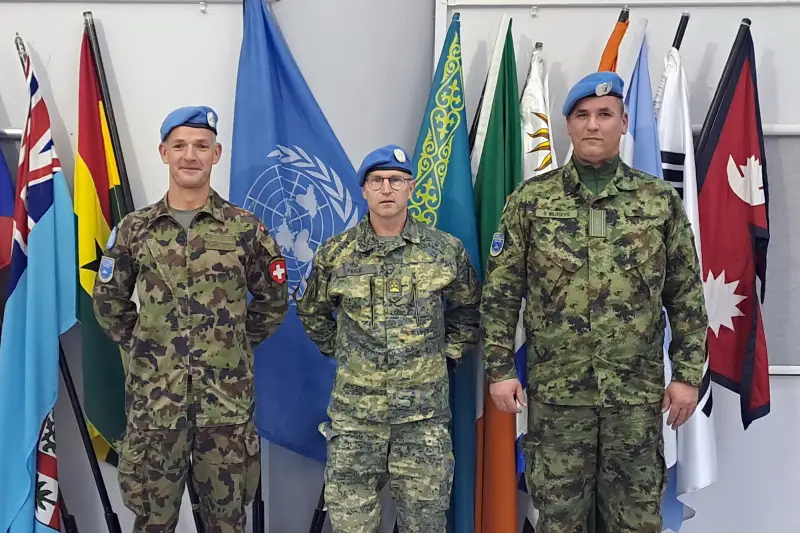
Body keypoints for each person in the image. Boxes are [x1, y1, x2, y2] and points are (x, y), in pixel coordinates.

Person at [480, 72, 708, 533]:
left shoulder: (658, 201)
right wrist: (500, 369)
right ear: (567, 124)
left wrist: (687, 376)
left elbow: (685, 294)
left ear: (623, 123)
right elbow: (501, 292)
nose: (592, 124)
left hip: (635, 398)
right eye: (582, 115)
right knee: (559, 521)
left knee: (636, 521)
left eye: (605, 114)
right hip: (559, 398)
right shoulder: (531, 201)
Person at [93, 106, 289, 533]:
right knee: (152, 523)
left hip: (225, 407)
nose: (190, 155)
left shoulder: (244, 229)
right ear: (163, 152)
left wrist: (232, 345)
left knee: (227, 523)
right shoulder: (135, 229)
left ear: (216, 154)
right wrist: (148, 348)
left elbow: (273, 301)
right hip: (155, 407)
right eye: (179, 145)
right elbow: (109, 302)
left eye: (201, 146)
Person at [296, 144, 481, 533]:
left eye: (396, 180)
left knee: (425, 524)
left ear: (410, 188)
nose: (386, 189)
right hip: (356, 418)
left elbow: (468, 309)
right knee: (352, 526)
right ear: (364, 190)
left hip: (422, 419)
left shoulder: (444, 250)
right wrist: (347, 353)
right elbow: (312, 312)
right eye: (377, 180)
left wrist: (445, 355)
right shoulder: (337, 253)